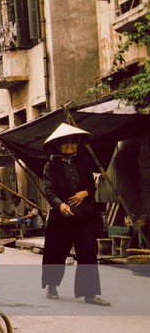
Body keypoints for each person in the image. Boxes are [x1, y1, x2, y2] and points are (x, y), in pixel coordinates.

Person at [41, 123, 109, 306]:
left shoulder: (83, 163)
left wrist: (85, 193)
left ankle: (90, 294)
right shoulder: (51, 166)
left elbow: (91, 185)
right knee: (56, 252)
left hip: (84, 215)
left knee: (88, 251)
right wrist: (60, 204)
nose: (70, 145)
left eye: (73, 142)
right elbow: (49, 190)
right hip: (61, 216)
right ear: (59, 146)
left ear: (78, 144)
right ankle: (52, 285)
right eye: (66, 143)